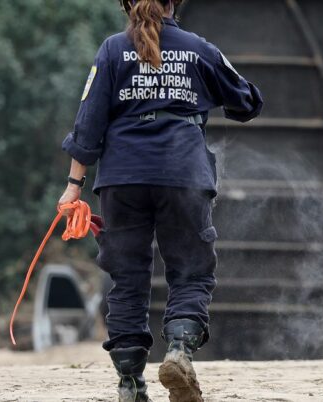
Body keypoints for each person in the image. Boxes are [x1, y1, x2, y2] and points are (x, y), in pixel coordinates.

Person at [58, 0, 263, 400]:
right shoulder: (198, 49)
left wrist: (73, 185)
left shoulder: (112, 50)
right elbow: (248, 102)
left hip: (122, 177)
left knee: (127, 276)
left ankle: (130, 382)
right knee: (190, 269)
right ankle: (179, 351)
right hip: (182, 174)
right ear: (175, 2)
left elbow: (88, 124)